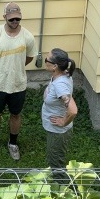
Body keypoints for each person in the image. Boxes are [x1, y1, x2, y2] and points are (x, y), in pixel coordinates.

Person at [0, 2, 37, 160]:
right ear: (4, 17)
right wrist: (0, 67)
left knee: (16, 114)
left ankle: (13, 144)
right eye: (12, 19)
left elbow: (29, 57)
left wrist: (16, 67)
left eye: (17, 19)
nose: (15, 22)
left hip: (17, 84)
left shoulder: (28, 37)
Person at [42, 48, 78, 182]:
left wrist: (63, 121)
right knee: (55, 159)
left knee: (56, 164)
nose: (45, 61)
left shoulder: (60, 85)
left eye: (47, 60)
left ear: (55, 66)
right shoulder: (63, 75)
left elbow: (73, 110)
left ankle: (66, 190)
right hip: (56, 131)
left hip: (58, 132)